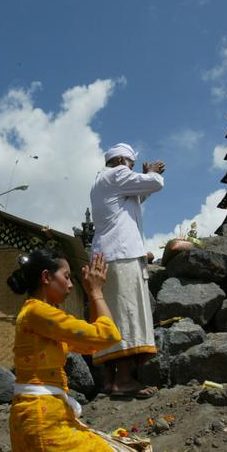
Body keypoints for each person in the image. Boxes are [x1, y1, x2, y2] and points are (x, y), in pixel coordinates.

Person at [7, 247, 154, 452]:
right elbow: (109, 334)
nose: (71, 285)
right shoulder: (37, 312)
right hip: (42, 423)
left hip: (44, 420)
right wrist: (96, 292)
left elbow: (92, 343)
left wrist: (92, 294)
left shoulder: (42, 315)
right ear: (46, 277)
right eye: (66, 276)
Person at [89, 142, 165, 398]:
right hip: (122, 256)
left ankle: (110, 381)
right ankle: (123, 380)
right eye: (131, 166)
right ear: (123, 161)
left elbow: (138, 195)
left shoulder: (102, 180)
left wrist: (143, 177)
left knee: (110, 317)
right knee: (126, 314)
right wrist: (152, 172)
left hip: (106, 257)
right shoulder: (119, 174)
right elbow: (155, 183)